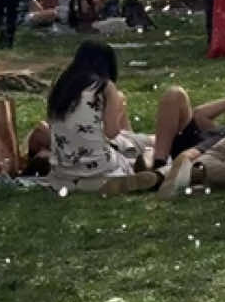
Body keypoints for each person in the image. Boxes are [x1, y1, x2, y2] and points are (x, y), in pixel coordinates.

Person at [41, 41, 151, 190]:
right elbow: (112, 132)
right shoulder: (104, 86)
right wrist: (119, 109)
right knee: (145, 149)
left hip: (63, 170)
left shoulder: (60, 86)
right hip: (99, 166)